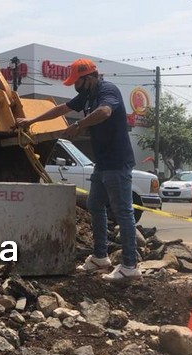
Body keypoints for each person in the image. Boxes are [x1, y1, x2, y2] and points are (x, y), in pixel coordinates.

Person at [16, 58, 140, 282]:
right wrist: (31, 121)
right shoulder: (88, 94)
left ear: (89, 77)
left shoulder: (106, 90)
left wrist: (78, 125)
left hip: (117, 162)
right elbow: (62, 108)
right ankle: (100, 257)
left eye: (77, 81)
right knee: (94, 205)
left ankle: (130, 265)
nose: (74, 86)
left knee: (123, 212)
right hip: (102, 163)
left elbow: (104, 112)